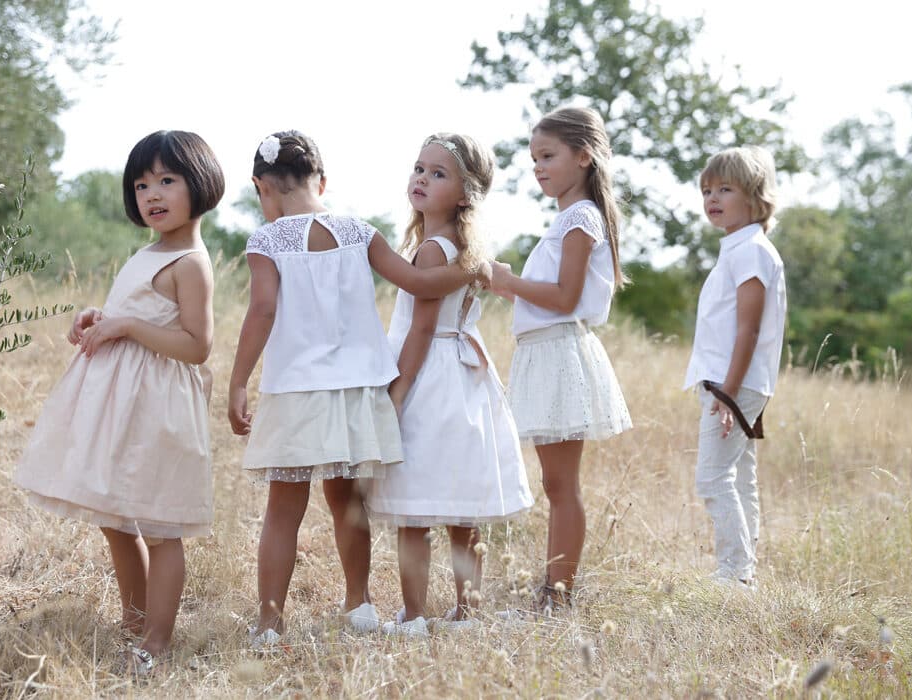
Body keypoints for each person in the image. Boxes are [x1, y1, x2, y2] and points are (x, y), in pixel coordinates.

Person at [228, 130, 487, 649]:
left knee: (284, 507)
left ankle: (269, 623)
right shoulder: (358, 231)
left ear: (263, 188)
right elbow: (415, 284)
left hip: (298, 389)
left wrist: (238, 380)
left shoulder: (267, 239)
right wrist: (473, 266)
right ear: (321, 181)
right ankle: (359, 603)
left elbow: (262, 310)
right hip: (358, 389)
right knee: (347, 502)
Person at [14, 130, 223, 673]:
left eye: (167, 180)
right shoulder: (149, 251)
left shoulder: (190, 263)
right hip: (122, 403)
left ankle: (156, 640)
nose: (152, 193)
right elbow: (138, 311)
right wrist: (99, 317)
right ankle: (134, 621)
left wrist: (127, 325)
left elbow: (197, 346)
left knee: (160, 524)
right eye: (141, 184)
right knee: (114, 515)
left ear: (199, 185)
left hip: (159, 408)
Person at [367, 133, 533, 637]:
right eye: (419, 168)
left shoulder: (431, 253)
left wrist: (398, 392)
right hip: (467, 379)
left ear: (464, 194)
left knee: (414, 509)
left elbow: (420, 330)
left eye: (438, 173)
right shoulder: (468, 249)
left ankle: (415, 616)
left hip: (431, 378)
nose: (421, 178)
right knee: (463, 508)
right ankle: (467, 611)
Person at [490, 106, 631, 612]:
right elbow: (544, 299)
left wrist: (506, 281)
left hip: (560, 356)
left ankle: (558, 593)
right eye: (534, 160)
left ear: (583, 156)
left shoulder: (580, 217)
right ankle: (554, 589)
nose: (539, 168)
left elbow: (566, 297)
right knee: (555, 482)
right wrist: (506, 288)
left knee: (561, 484)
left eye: (548, 156)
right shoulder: (567, 218)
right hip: (545, 352)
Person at [683, 145, 786, 589]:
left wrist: (726, 391)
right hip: (739, 381)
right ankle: (744, 574)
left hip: (734, 382)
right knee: (740, 475)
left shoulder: (750, 251)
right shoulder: (742, 249)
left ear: (755, 196)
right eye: (707, 189)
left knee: (712, 477)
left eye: (726, 188)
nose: (713, 198)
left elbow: (748, 330)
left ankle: (734, 574)